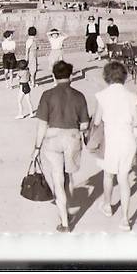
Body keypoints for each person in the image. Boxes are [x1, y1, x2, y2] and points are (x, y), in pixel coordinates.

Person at [32, 60, 90, 233]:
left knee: (58, 179)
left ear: (53, 76)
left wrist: (36, 148)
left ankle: (64, 221)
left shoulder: (47, 95)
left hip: (52, 139)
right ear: (71, 76)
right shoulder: (79, 96)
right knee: (68, 175)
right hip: (72, 137)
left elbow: (41, 125)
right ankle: (68, 208)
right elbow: (85, 125)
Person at [93, 61, 137, 231]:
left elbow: (97, 121)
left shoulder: (102, 96)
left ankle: (107, 205)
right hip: (128, 140)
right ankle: (126, 219)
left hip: (112, 140)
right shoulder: (132, 96)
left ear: (106, 77)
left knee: (108, 175)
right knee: (124, 178)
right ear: (124, 76)